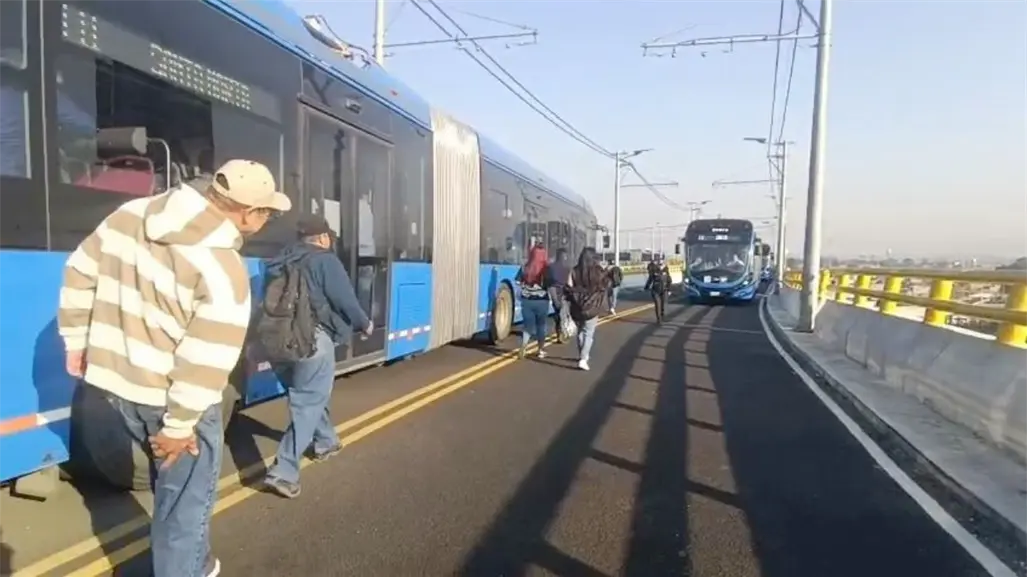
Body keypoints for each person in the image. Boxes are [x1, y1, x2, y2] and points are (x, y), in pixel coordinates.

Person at [57, 160, 288, 577]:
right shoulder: (222, 269)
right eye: (267, 212)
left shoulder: (130, 215)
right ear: (249, 213)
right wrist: (180, 426)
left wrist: (76, 341)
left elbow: (78, 272)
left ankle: (197, 565)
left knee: (172, 491)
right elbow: (206, 358)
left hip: (118, 390)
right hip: (172, 400)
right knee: (184, 504)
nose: (267, 220)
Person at [261, 215, 373, 499]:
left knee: (309, 394)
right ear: (323, 238)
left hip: (274, 341)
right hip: (311, 340)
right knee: (308, 401)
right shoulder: (325, 260)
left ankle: (325, 441)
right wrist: (364, 323)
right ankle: (283, 472)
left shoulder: (279, 260)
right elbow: (344, 298)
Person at [566, 247, 610, 371]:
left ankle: (582, 355)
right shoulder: (598, 271)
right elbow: (605, 285)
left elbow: (568, 286)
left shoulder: (574, 270)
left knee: (580, 331)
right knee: (588, 333)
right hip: (592, 306)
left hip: (576, 306)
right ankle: (583, 358)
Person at [515, 244, 552, 359]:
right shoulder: (546, 269)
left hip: (527, 301)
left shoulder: (525, 267)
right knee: (541, 326)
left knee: (527, 326)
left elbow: (517, 282)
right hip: (542, 301)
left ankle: (523, 346)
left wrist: (522, 291)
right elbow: (550, 284)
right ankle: (540, 350)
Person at [548, 248, 572, 343]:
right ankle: (561, 334)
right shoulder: (567, 268)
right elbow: (569, 283)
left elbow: (549, 282)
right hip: (563, 293)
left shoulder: (551, 267)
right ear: (564, 257)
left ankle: (559, 334)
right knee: (564, 314)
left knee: (558, 314)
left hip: (553, 292)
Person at [645, 254, 673, 324]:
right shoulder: (654, 269)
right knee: (657, 304)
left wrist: (669, 289)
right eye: (659, 261)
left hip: (664, 290)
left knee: (663, 304)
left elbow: (669, 279)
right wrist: (646, 287)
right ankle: (658, 319)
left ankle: (663, 316)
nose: (660, 262)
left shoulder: (666, 269)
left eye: (661, 260)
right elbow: (650, 279)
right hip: (655, 290)